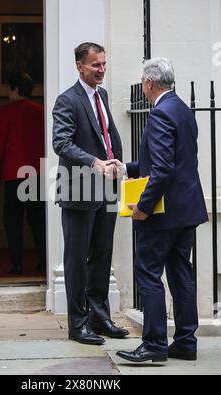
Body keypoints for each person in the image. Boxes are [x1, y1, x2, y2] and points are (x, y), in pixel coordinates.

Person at [115, 58, 208, 363]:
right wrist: (126, 168)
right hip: (187, 210)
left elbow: (164, 169)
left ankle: (154, 345)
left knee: (148, 274)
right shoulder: (182, 109)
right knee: (181, 275)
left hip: (163, 213)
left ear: (150, 84)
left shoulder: (159, 115)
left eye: (143, 81)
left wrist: (142, 207)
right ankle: (184, 342)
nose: (142, 86)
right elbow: (171, 162)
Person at [52, 42, 129, 345]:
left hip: (107, 187)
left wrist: (116, 162)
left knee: (101, 254)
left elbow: (106, 136)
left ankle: (99, 317)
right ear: (79, 66)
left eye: (104, 64)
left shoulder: (103, 95)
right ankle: (78, 323)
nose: (102, 70)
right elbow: (61, 143)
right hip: (79, 188)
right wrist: (94, 162)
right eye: (96, 65)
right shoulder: (66, 100)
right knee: (76, 258)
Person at [0, 73, 46, 274]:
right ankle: (43, 259)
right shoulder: (40, 111)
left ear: (15, 89)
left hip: (14, 173)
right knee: (38, 219)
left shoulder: (6, 112)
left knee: (13, 220)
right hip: (37, 172)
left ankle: (17, 263)